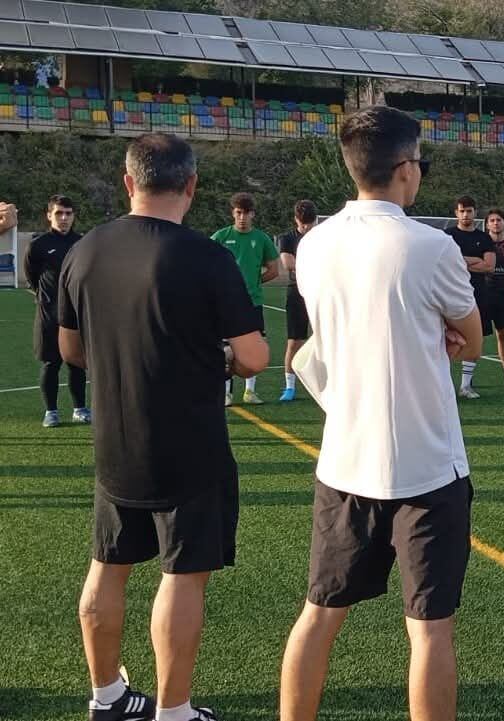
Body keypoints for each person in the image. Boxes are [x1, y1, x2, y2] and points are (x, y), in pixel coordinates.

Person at [281, 106, 482, 721]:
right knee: (429, 630)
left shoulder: (313, 246)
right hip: (427, 467)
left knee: (318, 613)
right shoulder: (430, 245)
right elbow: (471, 342)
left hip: (345, 459)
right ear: (404, 169)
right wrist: (439, 335)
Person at [60, 132, 268, 721]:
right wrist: (213, 358)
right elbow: (252, 358)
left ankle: (106, 697)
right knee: (182, 575)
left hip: (115, 442)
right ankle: (173, 711)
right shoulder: (207, 256)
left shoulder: (86, 250)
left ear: (129, 182)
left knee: (108, 564)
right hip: (189, 444)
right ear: (192, 186)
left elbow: (69, 348)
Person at [26, 194, 88, 427]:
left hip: (75, 314)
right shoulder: (38, 245)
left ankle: (80, 409)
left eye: (68, 213)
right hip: (49, 315)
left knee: (77, 362)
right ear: (49, 215)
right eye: (59, 213)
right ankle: (50, 411)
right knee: (51, 363)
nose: (64, 218)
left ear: (73, 216)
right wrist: (45, 298)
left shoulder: (82, 243)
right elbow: (32, 277)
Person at [211, 192, 278, 407]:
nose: (242, 217)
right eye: (238, 213)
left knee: (254, 346)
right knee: (225, 348)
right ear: (233, 213)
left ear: (253, 215)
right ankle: (226, 392)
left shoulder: (262, 239)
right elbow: (206, 262)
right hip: (226, 303)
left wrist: (254, 282)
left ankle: (250, 391)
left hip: (253, 302)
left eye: (246, 213)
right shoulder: (221, 237)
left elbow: (273, 269)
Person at [459, 207, 504, 397]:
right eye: (492, 220)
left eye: (499, 220)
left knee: (503, 335)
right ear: (487, 224)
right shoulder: (481, 242)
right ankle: (467, 380)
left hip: (502, 295)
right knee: (476, 336)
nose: (496, 223)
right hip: (482, 294)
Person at [448, 196, 498, 399]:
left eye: (469, 211)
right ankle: (444, 386)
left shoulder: (484, 238)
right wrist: (474, 260)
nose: (466, 215)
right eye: (462, 211)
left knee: (474, 338)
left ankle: (466, 386)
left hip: (477, 293)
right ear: (456, 213)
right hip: (450, 292)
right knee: (444, 337)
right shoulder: (447, 236)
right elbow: (446, 263)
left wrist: (460, 260)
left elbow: (489, 266)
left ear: (475, 213)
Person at [275, 199, 318, 403]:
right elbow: (288, 263)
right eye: (302, 223)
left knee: (328, 339)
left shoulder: (323, 237)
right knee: (294, 342)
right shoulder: (288, 238)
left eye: (309, 223)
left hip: (321, 293)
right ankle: (290, 387)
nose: (305, 227)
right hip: (297, 293)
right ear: (296, 220)